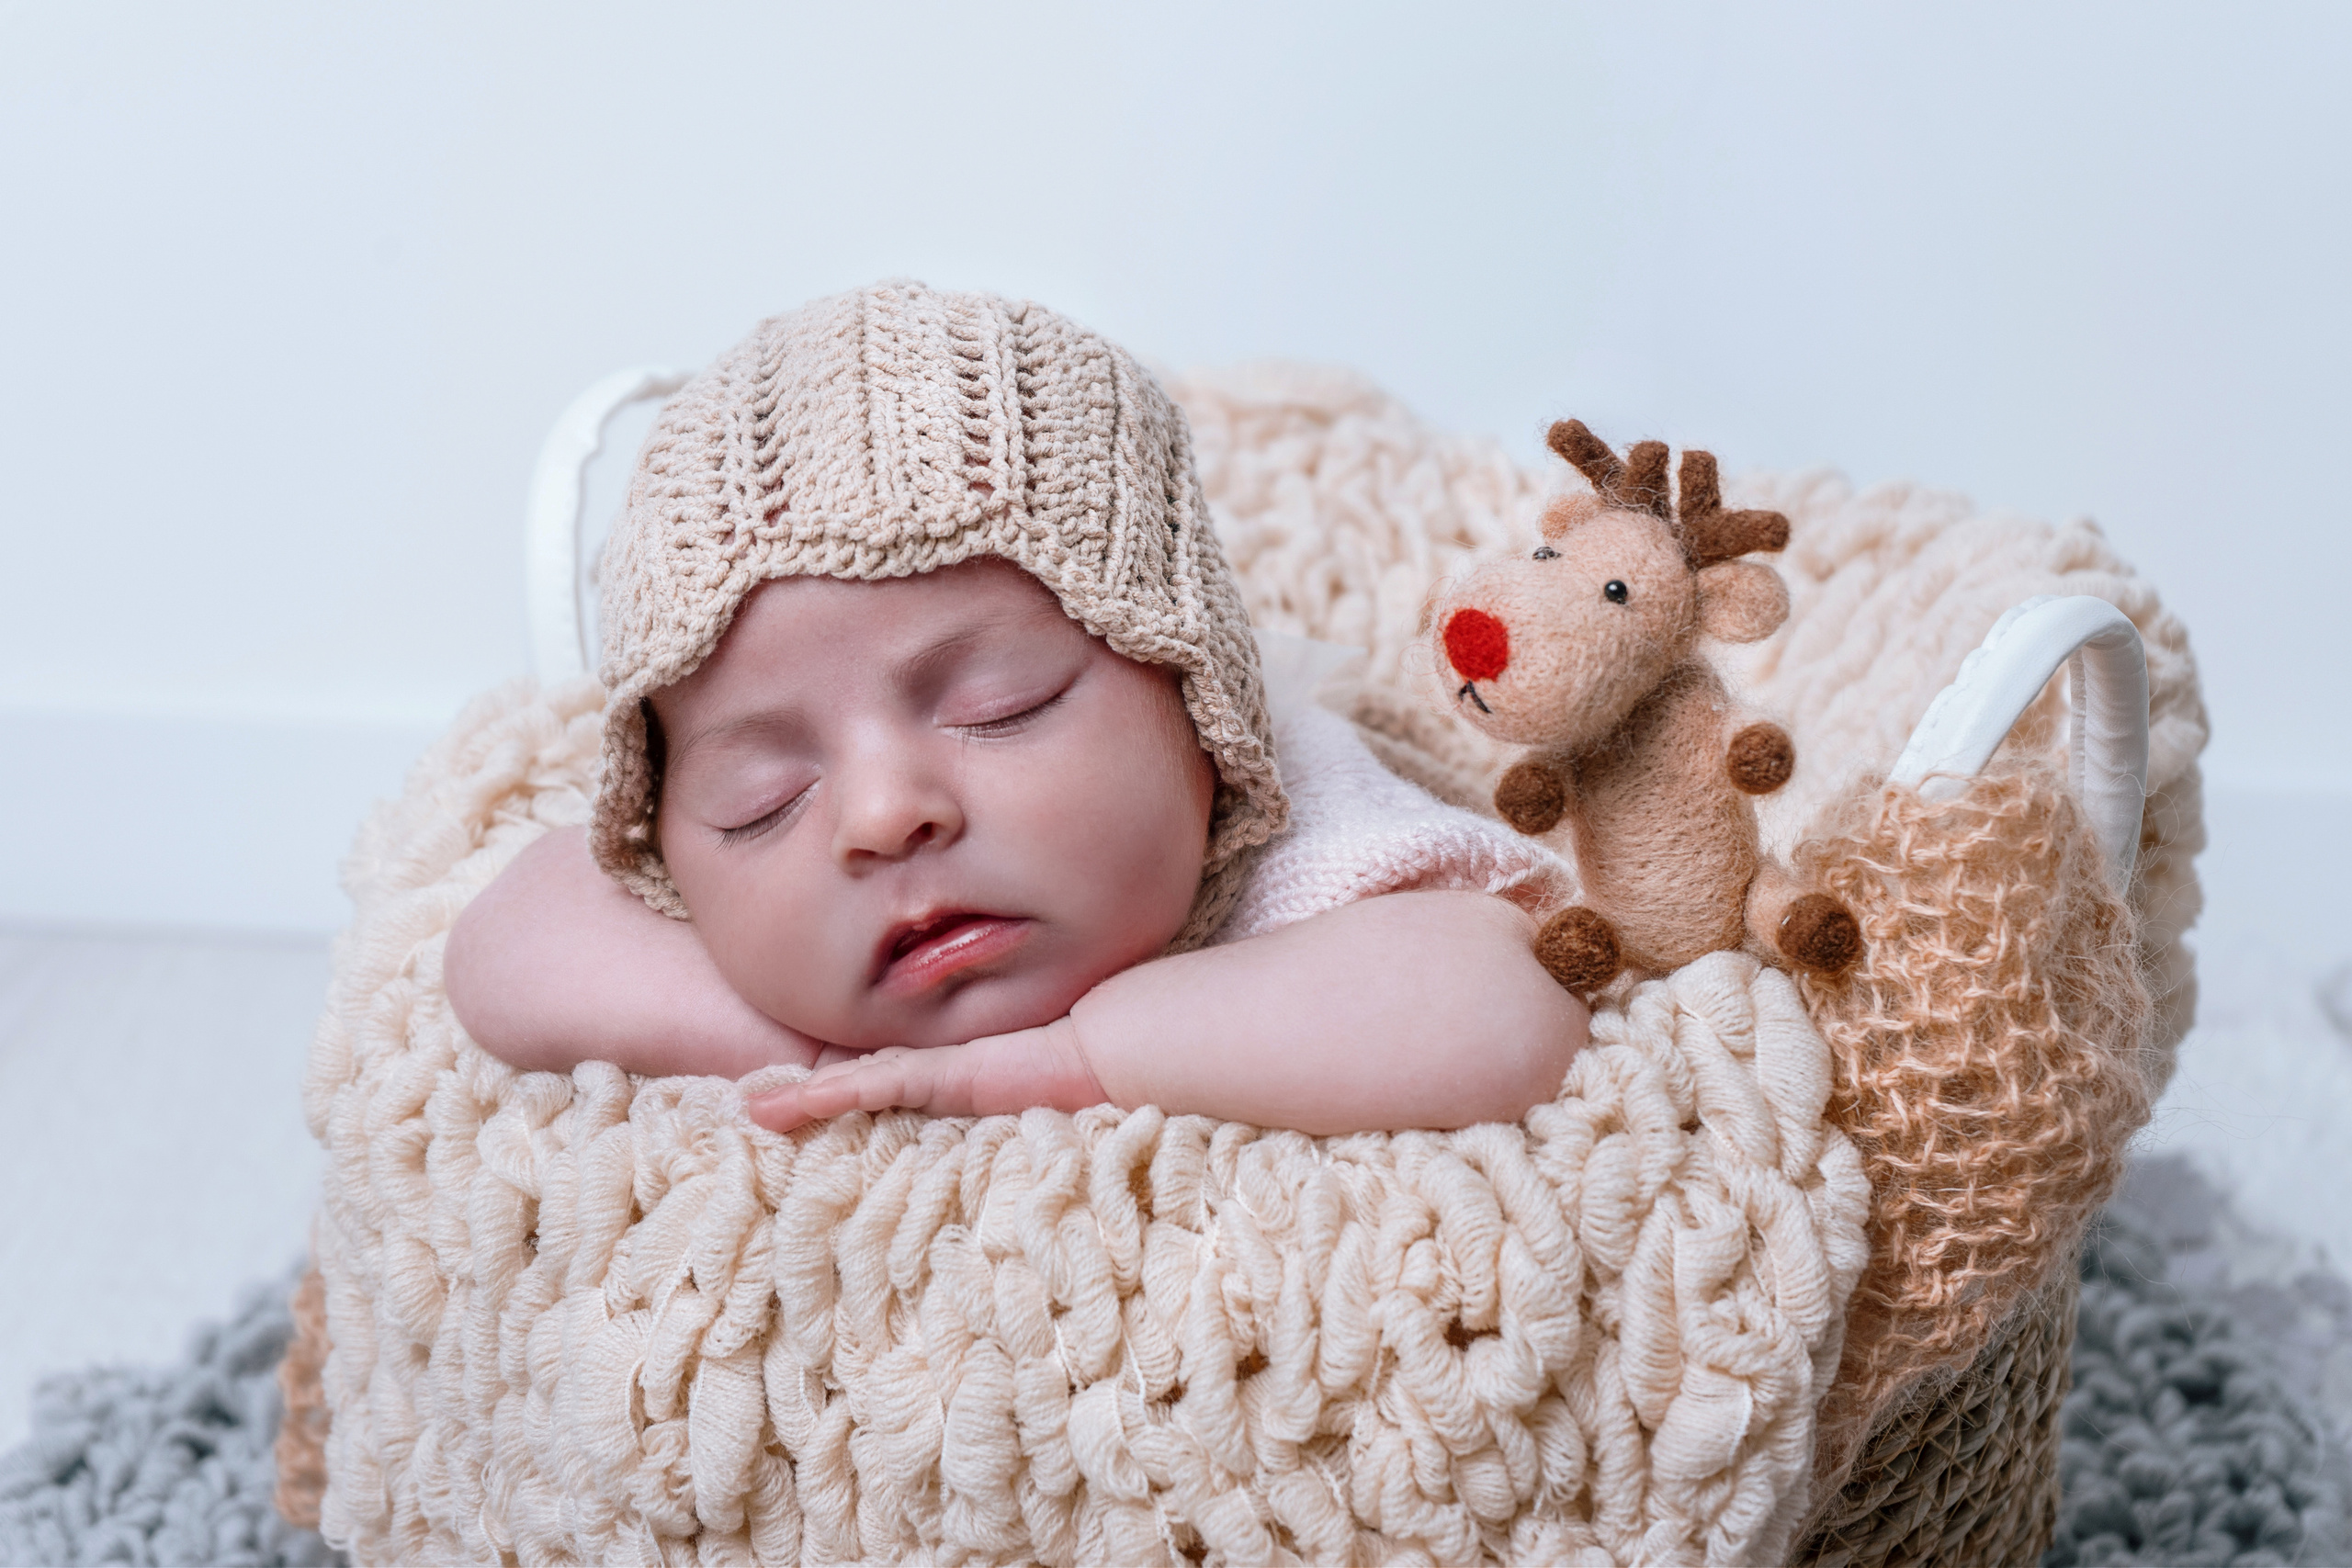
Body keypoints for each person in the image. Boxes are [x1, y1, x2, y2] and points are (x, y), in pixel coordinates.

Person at [444, 282, 1588, 1136]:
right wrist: (817, 1048)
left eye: (1000, 707)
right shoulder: (715, 901)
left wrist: (1075, 1058)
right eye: (761, 800)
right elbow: (509, 945)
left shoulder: (1298, 843)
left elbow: (1506, 1005)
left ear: (1203, 713)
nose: (883, 815)